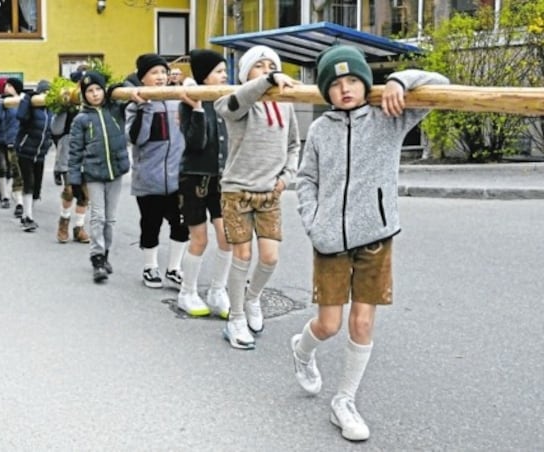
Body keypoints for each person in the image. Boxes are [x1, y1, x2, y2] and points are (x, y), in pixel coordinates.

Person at [290, 45, 449, 442]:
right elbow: (306, 179)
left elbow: (441, 84)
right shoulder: (321, 130)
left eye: (353, 81)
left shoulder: (389, 118)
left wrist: (399, 79)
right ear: (326, 90)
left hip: (376, 238)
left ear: (365, 83)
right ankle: (302, 348)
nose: (345, 90)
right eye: (336, 84)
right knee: (328, 324)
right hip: (329, 240)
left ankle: (344, 400)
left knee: (361, 322)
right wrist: (313, 221)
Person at [214, 45, 300, 349]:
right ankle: (235, 318)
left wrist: (286, 178)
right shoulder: (235, 100)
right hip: (237, 190)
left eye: (271, 65)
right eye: (259, 66)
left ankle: (252, 298)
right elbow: (229, 107)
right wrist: (267, 81)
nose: (266, 70)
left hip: (270, 193)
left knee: (270, 256)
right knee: (242, 256)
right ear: (246, 73)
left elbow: (293, 145)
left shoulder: (286, 104)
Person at [175, 49, 232, 318]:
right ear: (205, 77)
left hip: (222, 178)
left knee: (227, 236)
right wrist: (197, 108)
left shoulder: (226, 100)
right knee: (199, 239)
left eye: (225, 71)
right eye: (219, 71)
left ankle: (218, 290)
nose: (225, 75)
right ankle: (187, 292)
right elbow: (196, 143)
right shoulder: (189, 102)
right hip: (194, 177)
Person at [126, 53, 188, 289]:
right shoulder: (134, 105)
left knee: (181, 224)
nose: (160, 77)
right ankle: (149, 266)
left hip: (177, 179)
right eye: (154, 73)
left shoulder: (176, 101)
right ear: (143, 78)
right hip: (148, 180)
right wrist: (145, 107)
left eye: (163, 72)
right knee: (150, 225)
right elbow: (137, 138)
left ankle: (174, 268)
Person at [68, 71, 130, 282]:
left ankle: (106, 254)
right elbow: (75, 152)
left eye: (98, 89)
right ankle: (96, 258)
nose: (94, 94)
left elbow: (131, 89)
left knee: (110, 219)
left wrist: (117, 88)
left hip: (116, 171)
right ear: (84, 95)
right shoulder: (81, 119)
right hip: (94, 173)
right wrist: (74, 179)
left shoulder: (115, 110)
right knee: (98, 217)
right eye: (89, 91)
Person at [51, 69, 90, 244]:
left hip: (89, 152)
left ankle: (79, 227)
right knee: (69, 190)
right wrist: (63, 109)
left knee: (84, 193)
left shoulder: (95, 104)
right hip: (69, 150)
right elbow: (56, 130)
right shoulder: (67, 104)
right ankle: (63, 223)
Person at [15, 79, 54, 232]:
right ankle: (28, 217)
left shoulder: (50, 110)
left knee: (37, 187)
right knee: (29, 182)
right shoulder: (31, 105)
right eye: (44, 92)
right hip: (25, 150)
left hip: (41, 152)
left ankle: (27, 213)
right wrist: (28, 98)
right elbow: (21, 117)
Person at [0, 77, 22, 209]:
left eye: (10, 85)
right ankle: (5, 196)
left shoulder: (21, 101)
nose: (6, 87)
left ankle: (8, 192)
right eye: (6, 85)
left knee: (12, 169)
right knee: (2, 167)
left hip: (13, 139)